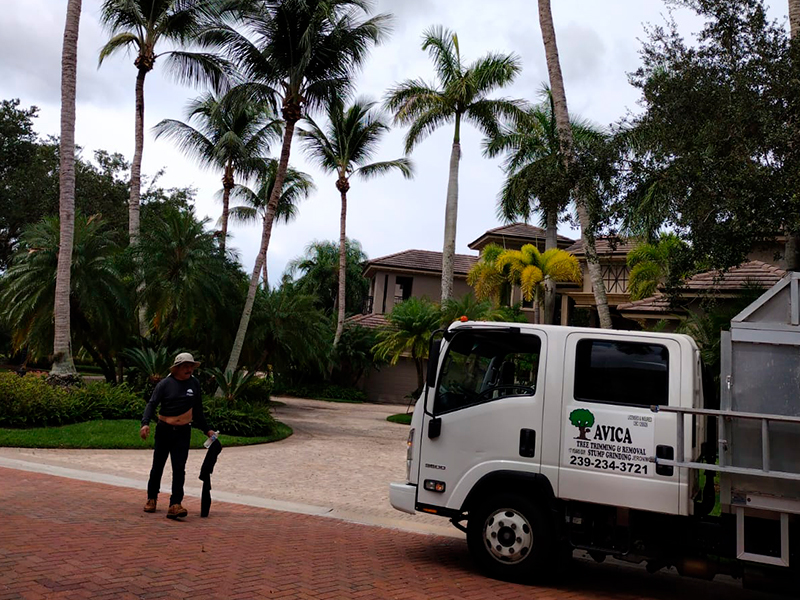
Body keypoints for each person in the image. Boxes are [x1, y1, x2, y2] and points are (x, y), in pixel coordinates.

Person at [139, 352, 215, 519]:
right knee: (158, 466)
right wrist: (145, 424)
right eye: (185, 366)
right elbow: (152, 404)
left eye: (191, 366)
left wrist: (207, 430)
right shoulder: (165, 384)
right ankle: (152, 498)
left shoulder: (194, 384)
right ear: (176, 368)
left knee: (179, 468)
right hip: (164, 430)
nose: (189, 369)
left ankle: (175, 504)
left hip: (183, 432)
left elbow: (198, 410)